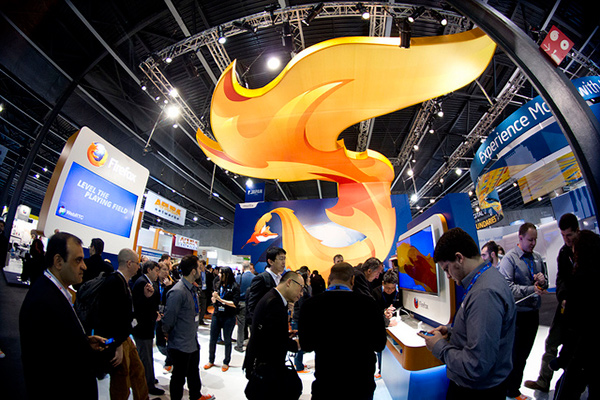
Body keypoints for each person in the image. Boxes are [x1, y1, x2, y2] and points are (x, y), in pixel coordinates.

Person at [418, 227, 516, 399]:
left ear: (459, 258)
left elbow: (476, 365)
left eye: (447, 269)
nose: (448, 276)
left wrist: (439, 347)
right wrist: (451, 331)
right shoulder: (485, 280)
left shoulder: (484, 293)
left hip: (477, 391)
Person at [19, 232, 108, 399]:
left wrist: (84, 342)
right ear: (58, 261)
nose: (84, 266)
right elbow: (44, 366)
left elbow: (59, 343)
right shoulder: (42, 301)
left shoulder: (56, 293)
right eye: (78, 260)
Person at [299, 262, 387, 399]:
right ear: (352, 280)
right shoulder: (369, 305)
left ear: (329, 280)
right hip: (360, 385)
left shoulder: (310, 305)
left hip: (326, 383)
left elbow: (306, 345)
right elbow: (379, 344)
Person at [524, 213, 579, 393]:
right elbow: (561, 278)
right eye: (562, 235)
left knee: (577, 347)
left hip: (582, 310)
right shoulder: (563, 253)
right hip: (564, 307)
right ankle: (543, 380)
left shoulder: (588, 249)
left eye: (569, 235)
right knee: (552, 342)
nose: (566, 239)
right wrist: (562, 297)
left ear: (577, 231)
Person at [498, 222, 548, 400]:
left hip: (533, 314)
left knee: (524, 355)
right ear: (520, 238)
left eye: (535, 240)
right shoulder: (510, 259)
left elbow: (545, 284)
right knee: (514, 355)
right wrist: (531, 289)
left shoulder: (537, 258)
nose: (533, 243)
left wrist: (542, 281)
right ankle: (510, 391)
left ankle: (513, 389)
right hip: (516, 315)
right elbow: (507, 288)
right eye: (530, 240)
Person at [95, 248, 149, 400]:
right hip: (118, 340)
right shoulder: (114, 282)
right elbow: (110, 316)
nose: (139, 267)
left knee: (138, 371)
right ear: (129, 263)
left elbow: (126, 311)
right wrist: (117, 345)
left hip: (125, 337)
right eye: (137, 263)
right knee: (121, 381)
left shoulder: (123, 282)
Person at [551, 230, 599, 399]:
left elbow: (574, 328)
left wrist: (562, 359)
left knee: (566, 390)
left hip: (582, 351)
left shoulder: (579, 281)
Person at [243, 271, 304, 400]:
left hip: (263, 367)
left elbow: (270, 333)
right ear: (289, 282)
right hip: (266, 370)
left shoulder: (272, 298)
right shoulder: (274, 303)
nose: (301, 293)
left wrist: (285, 334)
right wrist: (297, 344)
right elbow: (276, 341)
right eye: (301, 288)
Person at [162, 255, 214, 400]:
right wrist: (166, 333)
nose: (201, 270)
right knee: (178, 377)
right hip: (180, 343)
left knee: (193, 371)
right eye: (199, 267)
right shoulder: (178, 292)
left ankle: (196, 395)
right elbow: (169, 319)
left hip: (191, 340)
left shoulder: (192, 288)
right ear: (193, 271)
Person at [132, 260, 164, 396]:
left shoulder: (147, 282)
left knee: (147, 355)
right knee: (145, 356)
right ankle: (148, 384)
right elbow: (140, 306)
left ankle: (149, 379)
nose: (158, 273)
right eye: (156, 270)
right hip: (142, 327)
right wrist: (154, 314)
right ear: (149, 270)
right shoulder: (142, 283)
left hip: (146, 326)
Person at [204, 266, 240, 372]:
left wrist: (221, 300)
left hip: (229, 316)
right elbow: (214, 299)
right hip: (217, 314)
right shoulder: (217, 284)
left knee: (227, 339)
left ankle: (226, 362)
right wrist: (214, 299)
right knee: (213, 339)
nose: (219, 275)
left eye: (221, 273)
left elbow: (234, 304)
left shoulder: (234, 286)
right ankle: (211, 360)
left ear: (226, 275)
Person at [246, 247, 286, 324]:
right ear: (270, 261)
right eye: (281, 259)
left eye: (284, 259)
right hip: (265, 324)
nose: (284, 262)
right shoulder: (261, 278)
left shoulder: (281, 279)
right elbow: (252, 305)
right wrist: (259, 324)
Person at [372, 269, 400, 378]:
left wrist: (393, 312)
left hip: (395, 323)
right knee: (381, 348)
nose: (390, 291)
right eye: (388, 288)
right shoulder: (375, 292)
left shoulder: (398, 292)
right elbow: (374, 313)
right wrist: (384, 313)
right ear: (383, 283)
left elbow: (401, 307)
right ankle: (380, 370)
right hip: (381, 326)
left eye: (393, 288)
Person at [291, 267, 311, 373]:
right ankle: (299, 366)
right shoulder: (303, 291)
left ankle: (298, 363)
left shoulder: (302, 290)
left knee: (299, 341)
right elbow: (303, 305)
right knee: (299, 342)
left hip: (298, 318)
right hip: (299, 319)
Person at [155, 261, 174, 372]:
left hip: (167, 315)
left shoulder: (172, 284)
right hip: (157, 315)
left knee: (169, 338)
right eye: (164, 270)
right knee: (160, 343)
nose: (166, 272)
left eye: (167, 270)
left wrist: (168, 287)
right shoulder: (154, 283)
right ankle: (172, 355)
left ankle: (169, 361)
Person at [235, 261, 255, 352]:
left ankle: (239, 345)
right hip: (251, 304)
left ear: (242, 268)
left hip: (241, 303)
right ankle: (253, 346)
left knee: (241, 326)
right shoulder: (255, 278)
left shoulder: (239, 277)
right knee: (252, 325)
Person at [196, 259, 209, 325]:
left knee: (203, 307)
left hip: (205, 291)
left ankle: (200, 319)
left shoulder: (207, 273)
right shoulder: (197, 273)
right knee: (197, 306)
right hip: (198, 290)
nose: (200, 266)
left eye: (201, 265)